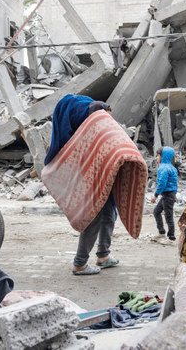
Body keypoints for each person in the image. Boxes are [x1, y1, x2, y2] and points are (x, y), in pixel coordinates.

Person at [44, 95, 115, 275]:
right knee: (94, 214)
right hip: (88, 178)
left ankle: (103, 255)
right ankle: (80, 263)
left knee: (108, 211)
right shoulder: (83, 128)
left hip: (100, 176)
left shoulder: (90, 120)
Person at [151, 146, 178, 241]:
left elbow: (162, 183)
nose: (157, 158)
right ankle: (161, 231)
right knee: (156, 211)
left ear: (163, 156)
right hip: (169, 194)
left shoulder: (163, 168)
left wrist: (155, 195)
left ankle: (171, 237)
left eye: (158, 155)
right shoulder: (172, 168)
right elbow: (175, 182)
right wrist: (175, 194)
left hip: (167, 195)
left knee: (168, 215)